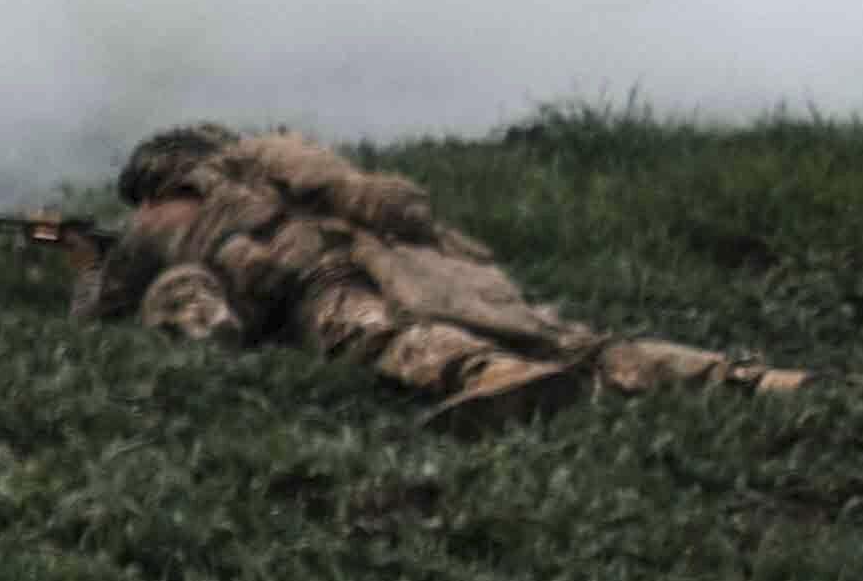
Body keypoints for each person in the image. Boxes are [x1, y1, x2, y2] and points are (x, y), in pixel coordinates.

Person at [87, 126, 806, 426]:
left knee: (373, 335)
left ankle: (478, 375)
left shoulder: (161, 216)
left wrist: (81, 268)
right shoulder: (283, 156)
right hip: (424, 260)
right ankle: (746, 380)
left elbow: (104, 305)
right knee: (573, 339)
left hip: (320, 275)